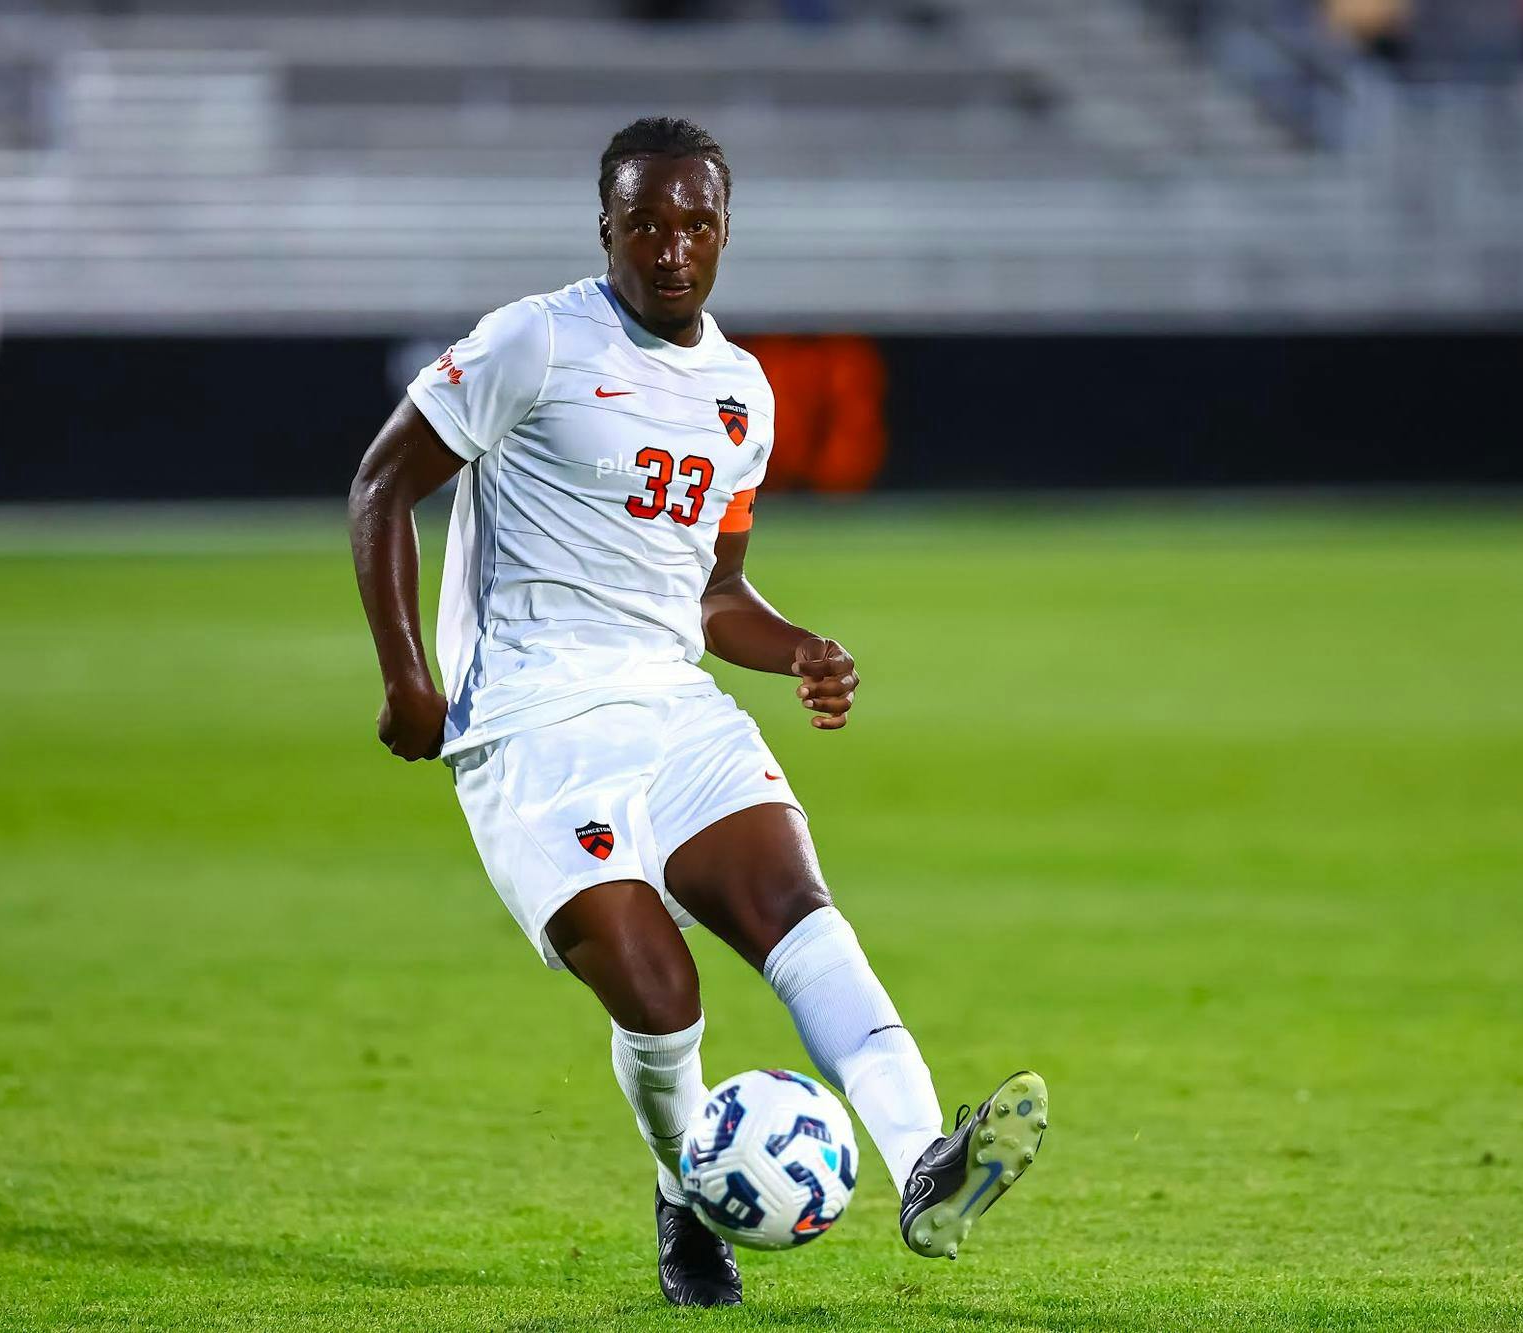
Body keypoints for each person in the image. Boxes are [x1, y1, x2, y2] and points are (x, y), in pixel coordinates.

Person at [348, 116, 1047, 1308]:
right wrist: (406, 674)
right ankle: (682, 1188)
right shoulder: (538, 340)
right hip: (529, 731)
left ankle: (925, 1159)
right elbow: (380, 486)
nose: (673, 247)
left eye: (697, 222)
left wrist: (800, 651)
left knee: (796, 910)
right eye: (648, 222)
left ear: (725, 230)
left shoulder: (740, 390)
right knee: (660, 996)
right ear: (606, 227)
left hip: (674, 708)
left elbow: (712, 595)